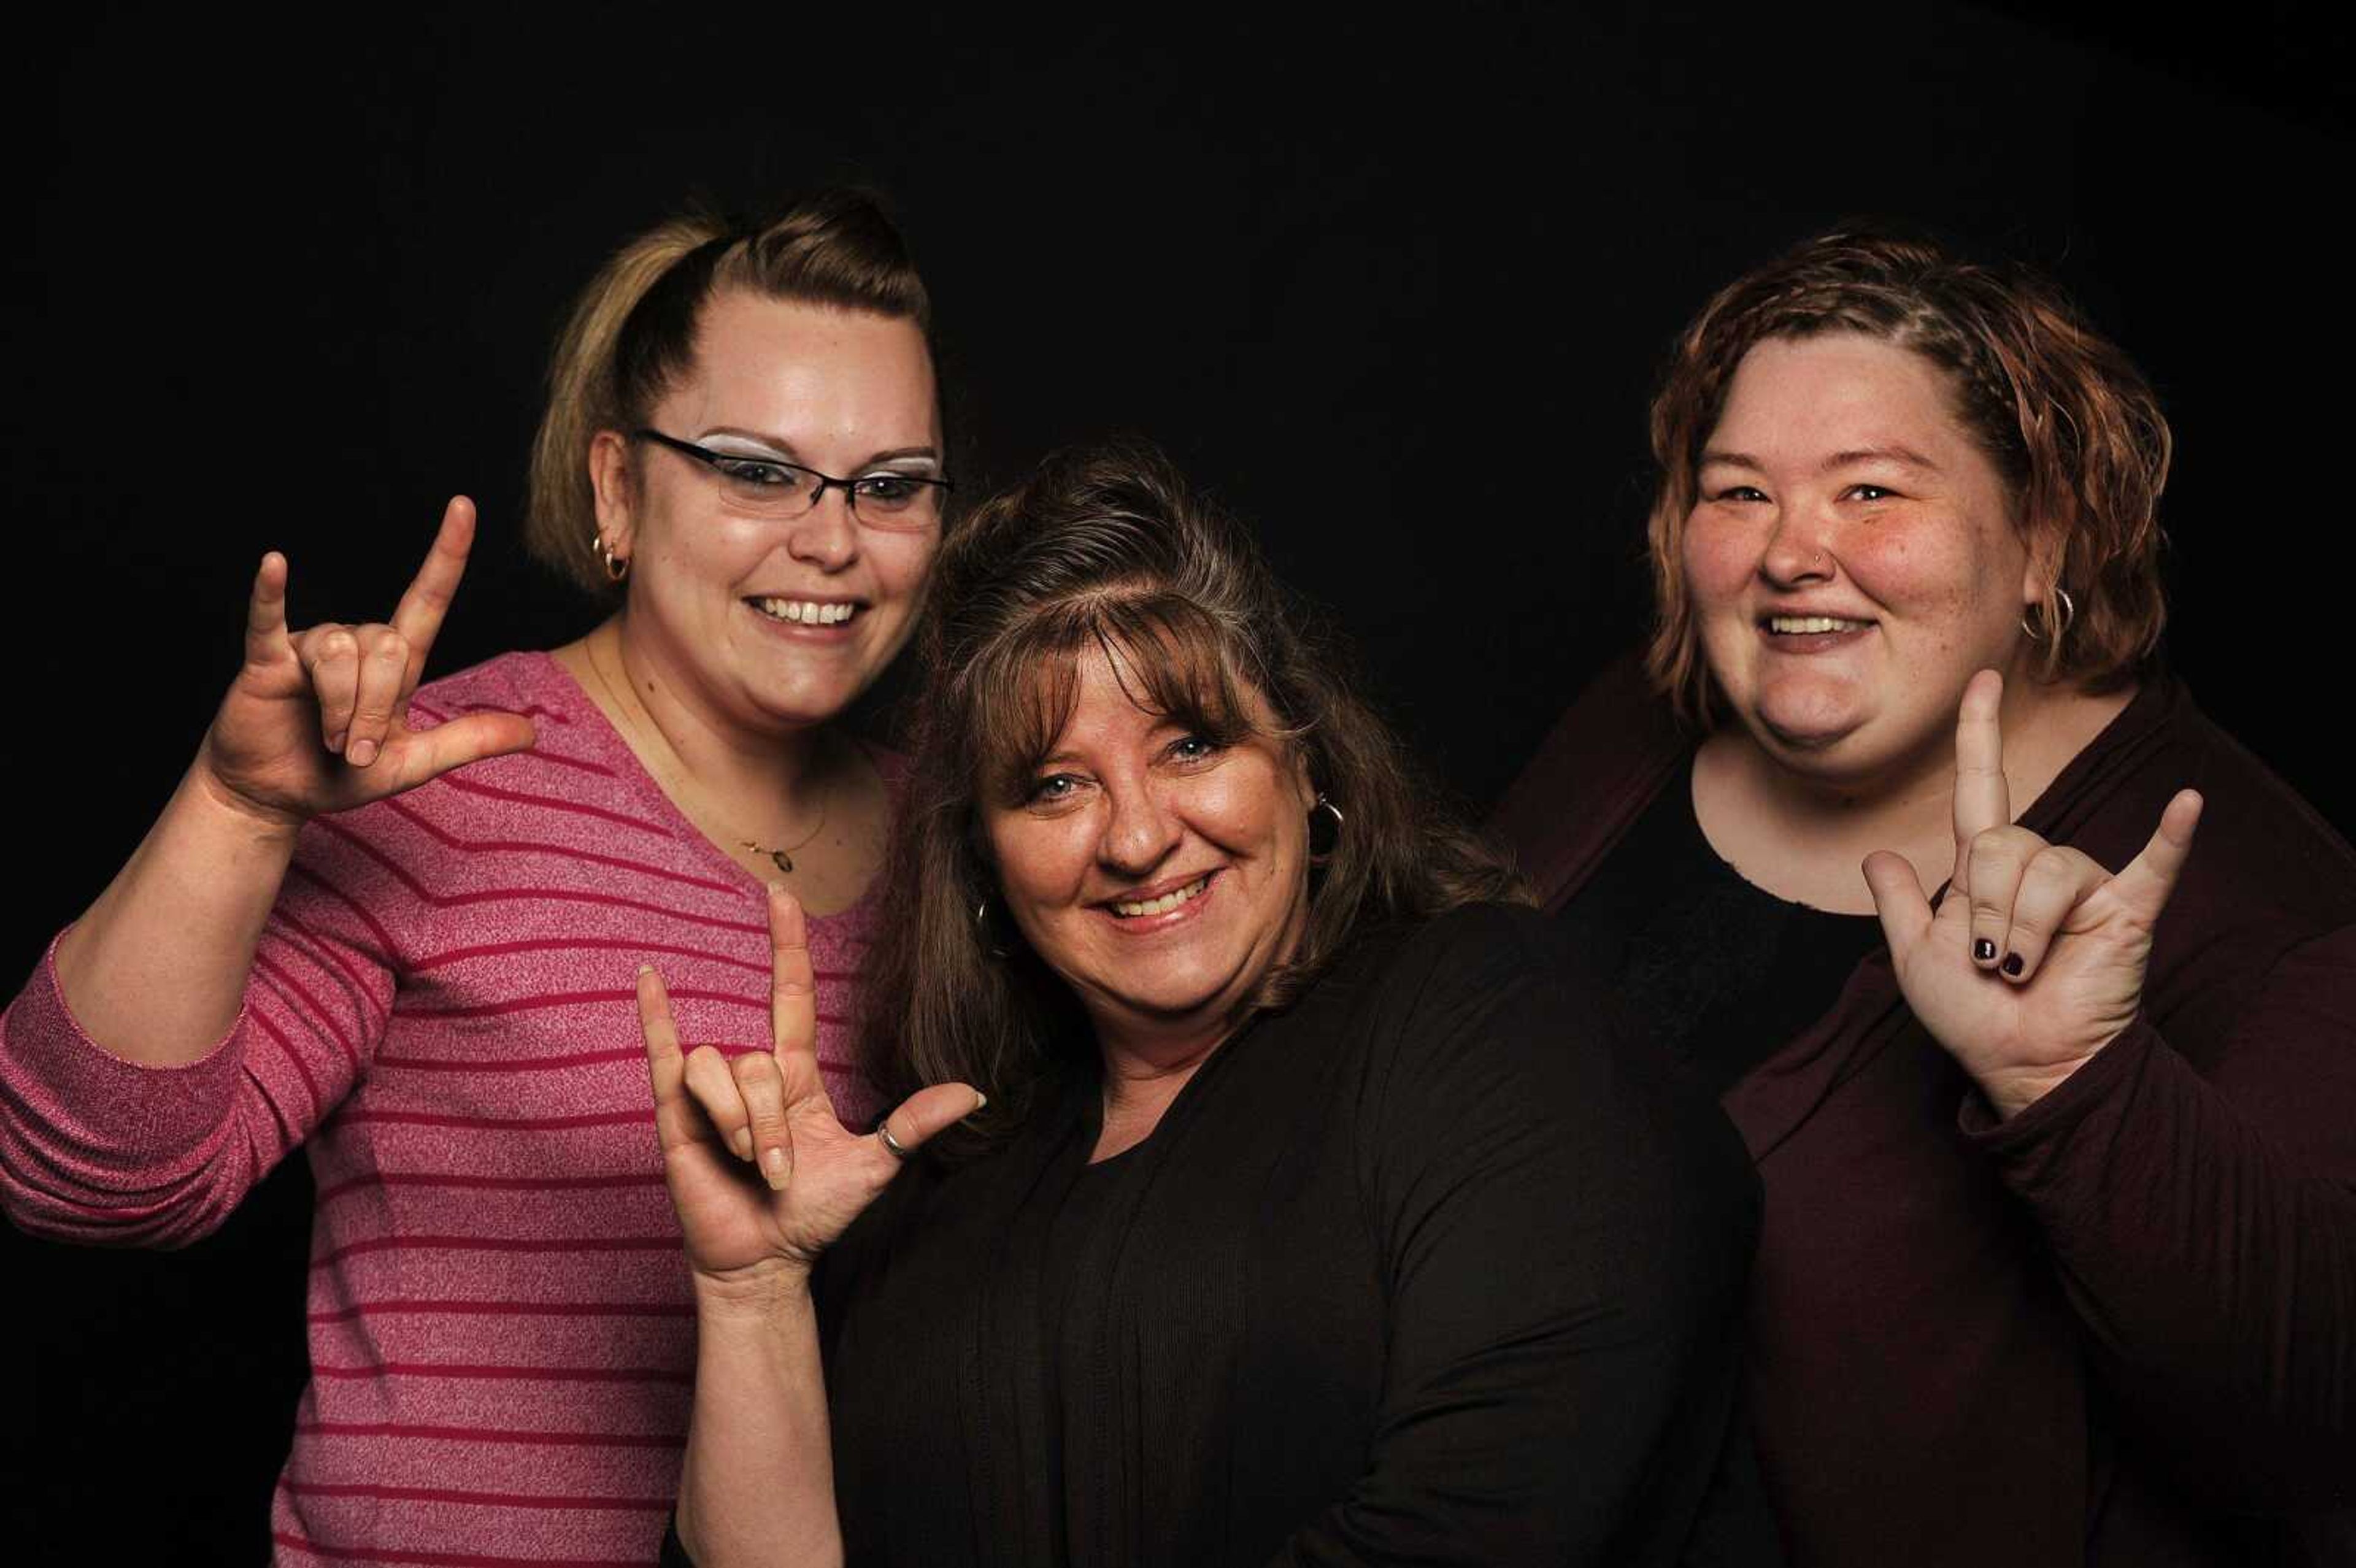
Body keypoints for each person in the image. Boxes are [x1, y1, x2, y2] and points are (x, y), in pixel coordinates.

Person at [0, 190, 952, 1565]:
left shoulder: (967, 834)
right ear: (620, 488)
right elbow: (87, 1177)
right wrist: (236, 808)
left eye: (892, 484)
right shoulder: (444, 779)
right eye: (756, 469)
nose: (833, 540)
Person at [635, 440, 1774, 1567]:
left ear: (1304, 758)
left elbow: (1496, 1530)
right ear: (983, 860)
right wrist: (752, 1294)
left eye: (1190, 745)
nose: (1136, 838)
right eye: (1056, 786)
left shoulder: (1499, 1026)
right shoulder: (944, 1178)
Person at [1492, 227, 2356, 1566]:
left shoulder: (2272, 911)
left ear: (2040, 538)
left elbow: (2312, 1434)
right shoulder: (1629, 731)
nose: (1791, 555)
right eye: (1739, 493)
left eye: (1872, 492)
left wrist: (2075, 1079)